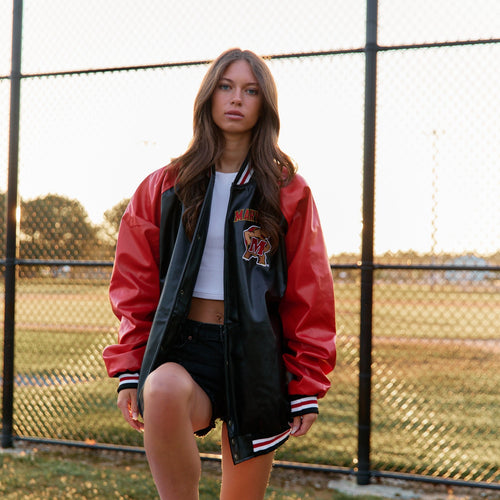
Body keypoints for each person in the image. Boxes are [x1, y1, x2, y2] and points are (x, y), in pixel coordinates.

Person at [103, 48, 336, 500]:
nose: (237, 99)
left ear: (264, 105)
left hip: (257, 353)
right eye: (227, 87)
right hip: (187, 346)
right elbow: (135, 287)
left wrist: (306, 382)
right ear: (208, 97)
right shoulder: (163, 186)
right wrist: (131, 367)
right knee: (163, 388)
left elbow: (311, 293)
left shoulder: (286, 189)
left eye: (250, 90)